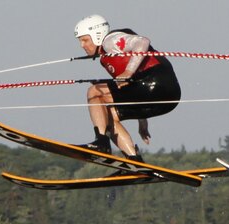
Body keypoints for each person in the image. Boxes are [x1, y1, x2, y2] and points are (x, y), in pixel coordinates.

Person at [75, 15, 182, 160]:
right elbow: (133, 90)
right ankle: (134, 160)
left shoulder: (109, 42)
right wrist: (142, 121)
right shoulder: (107, 57)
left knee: (94, 92)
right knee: (107, 116)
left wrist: (128, 72)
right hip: (168, 96)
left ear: (97, 35)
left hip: (157, 83)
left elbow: (142, 42)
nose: (82, 45)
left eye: (85, 40)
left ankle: (101, 143)